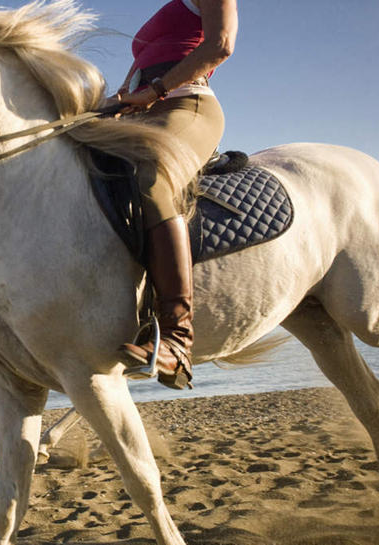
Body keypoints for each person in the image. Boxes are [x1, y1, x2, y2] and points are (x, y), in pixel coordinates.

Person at [110, 0, 238, 389]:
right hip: (146, 108)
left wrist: (156, 90)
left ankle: (177, 338)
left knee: (153, 179)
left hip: (189, 103)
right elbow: (132, 82)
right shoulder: (165, 10)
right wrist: (116, 103)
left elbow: (220, 45)